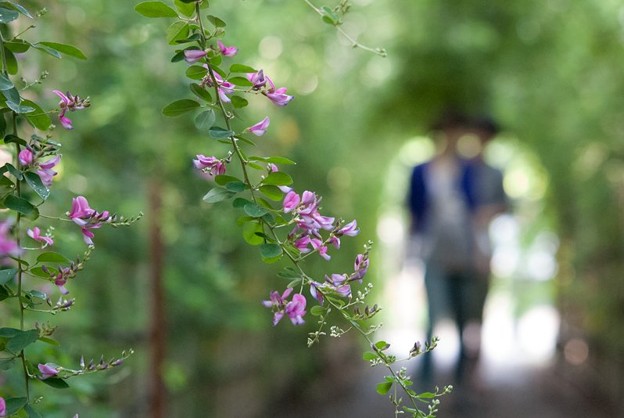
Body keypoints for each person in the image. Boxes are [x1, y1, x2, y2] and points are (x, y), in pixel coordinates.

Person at [408, 111, 478, 385]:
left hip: (463, 246)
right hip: (433, 247)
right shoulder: (420, 170)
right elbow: (413, 212)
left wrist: (479, 251)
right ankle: (425, 378)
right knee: (433, 314)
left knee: (463, 317)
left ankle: (461, 383)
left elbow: (474, 212)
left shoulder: (468, 169)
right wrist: (411, 253)